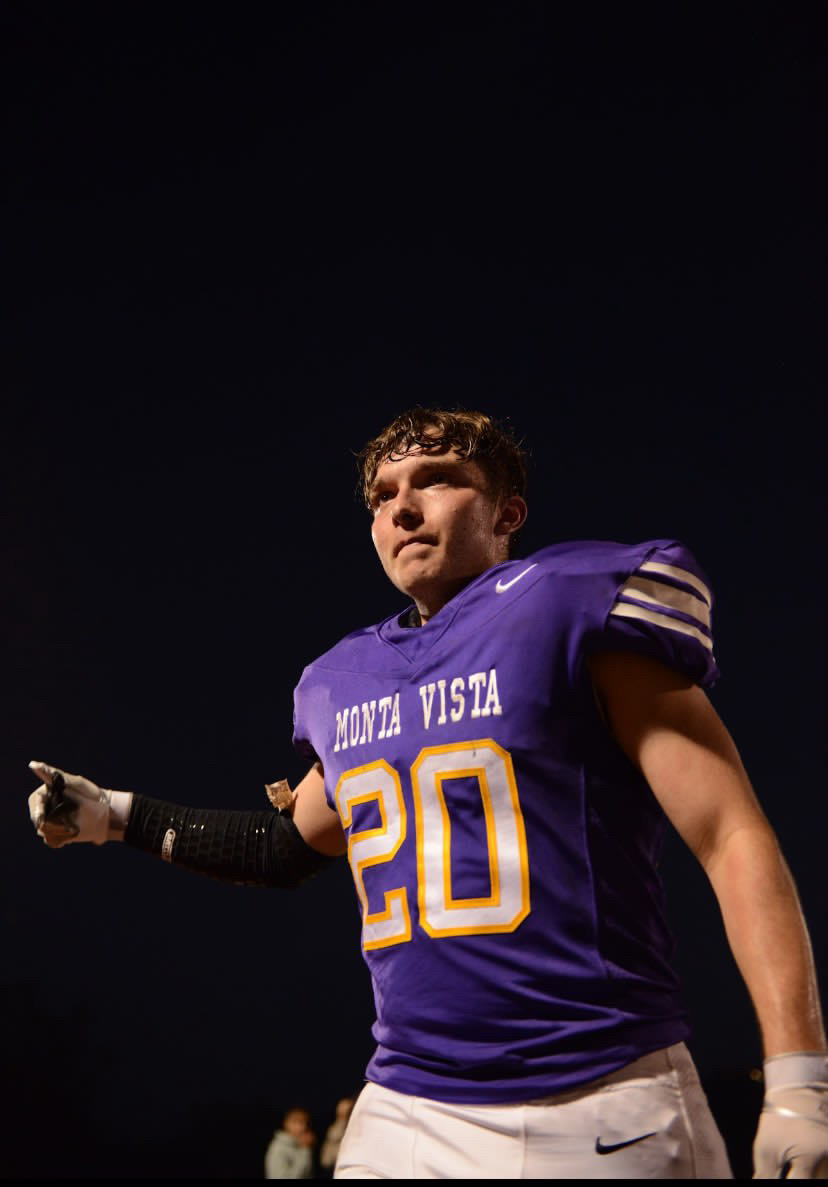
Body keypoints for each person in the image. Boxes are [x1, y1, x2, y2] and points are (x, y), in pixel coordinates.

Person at [28, 406, 827, 1179]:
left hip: (597, 1098)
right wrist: (113, 815)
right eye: (383, 494)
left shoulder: (568, 605)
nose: (403, 506)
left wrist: (799, 1078)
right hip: (405, 1106)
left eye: (436, 479)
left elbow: (731, 834)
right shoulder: (341, 679)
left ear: (507, 510)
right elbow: (281, 848)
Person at [264, 1105, 316, 1179]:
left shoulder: (302, 1145)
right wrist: (305, 1150)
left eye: (306, 1123)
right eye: (298, 1122)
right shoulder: (278, 1148)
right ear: (286, 1123)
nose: (303, 1127)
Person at [318, 1096, 356, 1178]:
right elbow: (326, 1160)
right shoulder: (334, 1126)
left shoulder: (357, 1126)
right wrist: (342, 1119)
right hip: (331, 1168)